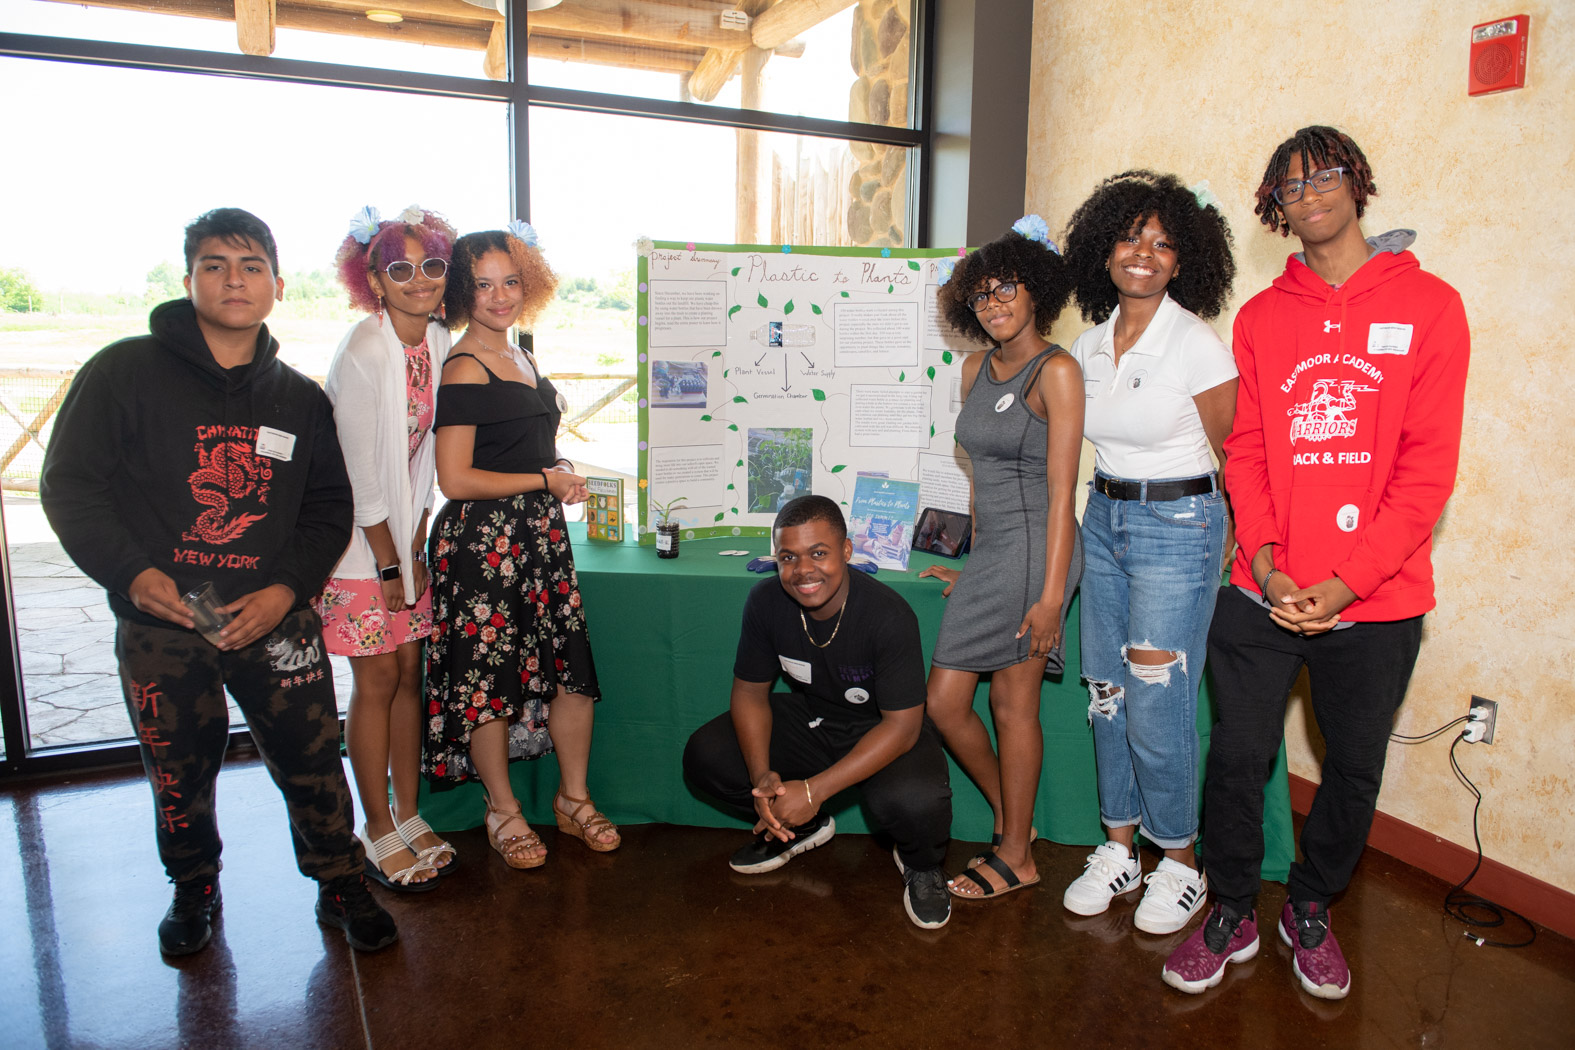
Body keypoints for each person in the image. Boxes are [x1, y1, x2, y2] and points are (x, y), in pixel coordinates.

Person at [1162, 127, 1470, 998]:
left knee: (1353, 767)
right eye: (1290, 188)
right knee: (1236, 755)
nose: (1311, 195)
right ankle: (1228, 910)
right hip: (1263, 590)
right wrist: (1266, 568)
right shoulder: (1262, 318)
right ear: (1275, 209)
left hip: (1376, 599)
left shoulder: (1432, 308)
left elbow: (1425, 470)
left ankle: (1308, 908)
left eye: (1325, 175)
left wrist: (1349, 581)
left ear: (1357, 183)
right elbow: (1248, 452)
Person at [39, 207, 397, 954]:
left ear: (277, 285)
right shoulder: (122, 372)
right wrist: (133, 576)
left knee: (312, 757)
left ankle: (339, 880)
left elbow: (330, 505)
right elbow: (72, 487)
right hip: (162, 627)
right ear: (188, 279)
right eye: (215, 265)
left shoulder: (299, 398)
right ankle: (193, 886)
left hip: (275, 619)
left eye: (251, 267)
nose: (234, 281)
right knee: (177, 769)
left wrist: (286, 590)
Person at [1058, 171, 1238, 934]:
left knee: (1157, 701)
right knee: (1105, 691)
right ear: (1104, 247)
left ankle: (1180, 863)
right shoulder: (1086, 344)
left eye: (1163, 244)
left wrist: (1240, 546)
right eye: (1131, 237)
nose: (1144, 253)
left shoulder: (1195, 343)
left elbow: (1233, 453)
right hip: (1103, 517)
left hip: (1179, 526)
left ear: (1183, 261)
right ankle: (1120, 847)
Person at [423, 223, 620, 867]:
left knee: (571, 674)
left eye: (510, 281)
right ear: (461, 291)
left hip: (538, 536)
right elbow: (453, 478)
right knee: (490, 682)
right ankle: (502, 811)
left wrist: (555, 468)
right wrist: (544, 478)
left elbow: (518, 446)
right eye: (483, 285)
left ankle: (572, 799)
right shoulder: (463, 364)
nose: (500, 296)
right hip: (481, 545)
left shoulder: (521, 355)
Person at [682, 496, 954, 929]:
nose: (803, 570)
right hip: (813, 720)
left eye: (819, 553)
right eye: (788, 557)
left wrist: (813, 791)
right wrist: (762, 778)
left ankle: (922, 866)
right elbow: (750, 694)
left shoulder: (888, 615)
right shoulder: (765, 601)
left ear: (846, 552)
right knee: (707, 754)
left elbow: (903, 726)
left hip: (885, 729)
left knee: (914, 801)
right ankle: (798, 829)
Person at [918, 215, 1084, 900]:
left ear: (1034, 288)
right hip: (996, 556)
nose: (992, 303)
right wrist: (972, 565)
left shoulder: (1059, 371)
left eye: (1005, 288)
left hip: (1038, 552)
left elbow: (1060, 494)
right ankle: (1016, 823)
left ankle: (1015, 854)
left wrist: (1049, 598)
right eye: (980, 295)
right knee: (946, 705)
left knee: (1013, 707)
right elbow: (981, 480)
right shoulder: (973, 368)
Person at [315, 205, 458, 892]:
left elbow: (424, 458)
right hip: (359, 547)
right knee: (374, 681)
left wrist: (419, 539)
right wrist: (391, 561)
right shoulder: (365, 350)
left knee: (409, 675)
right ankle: (373, 827)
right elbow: (360, 477)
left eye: (432, 265)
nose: (420, 280)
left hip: (404, 539)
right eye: (400, 269)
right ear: (372, 279)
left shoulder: (434, 339)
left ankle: (408, 813)